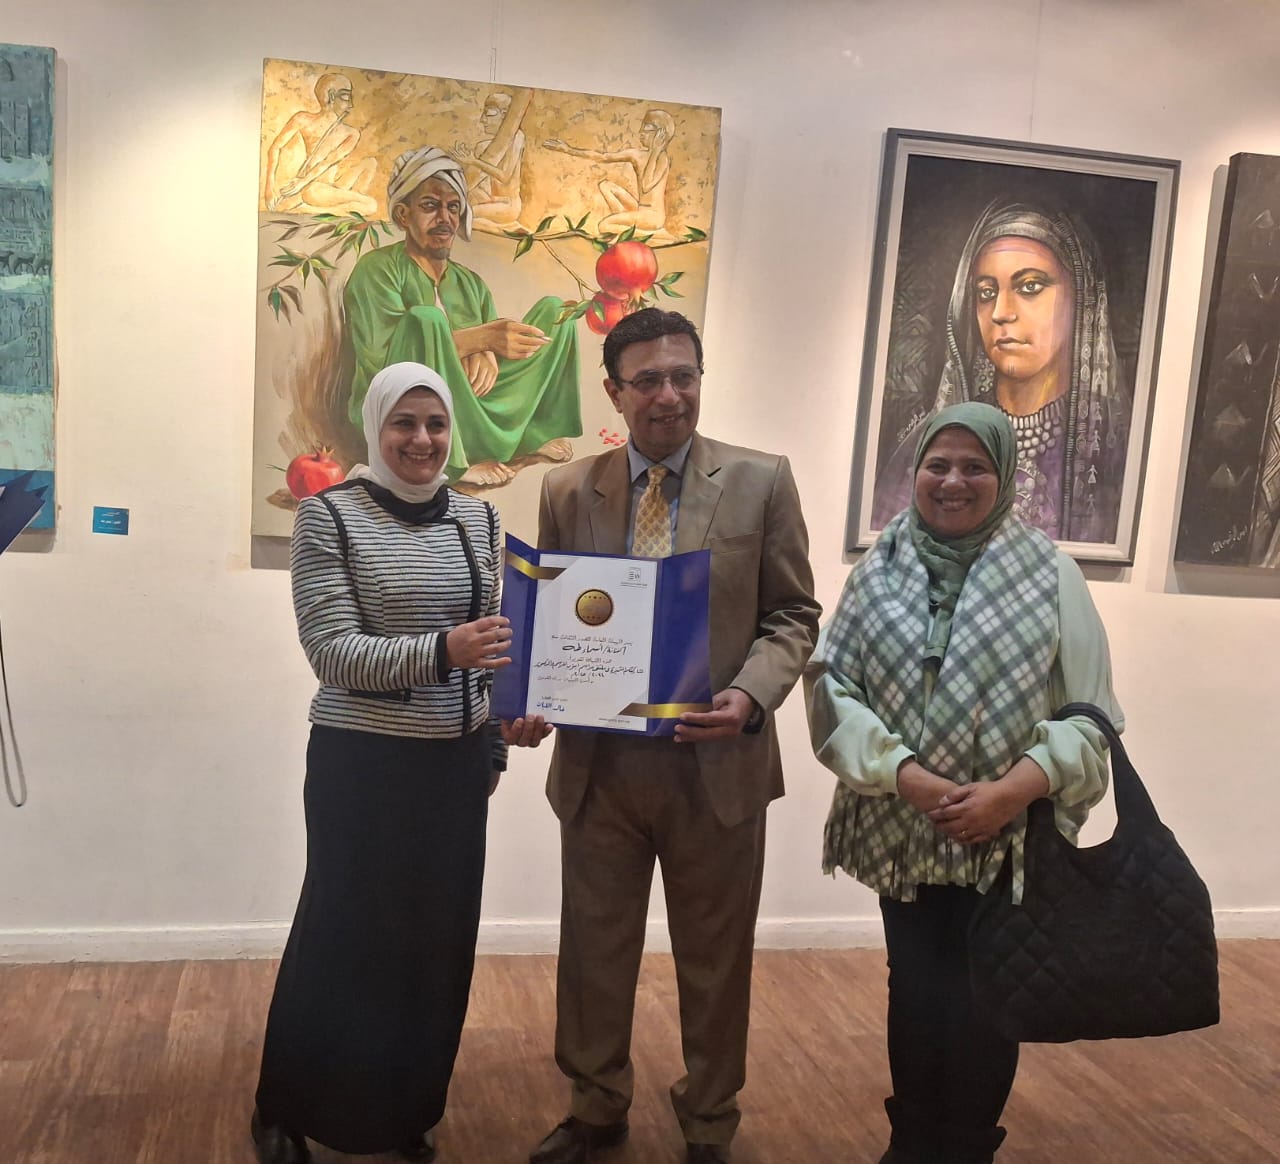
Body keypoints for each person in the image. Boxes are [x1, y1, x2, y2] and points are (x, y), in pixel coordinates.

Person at [526, 309, 821, 1164]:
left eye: (683, 376)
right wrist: (533, 696)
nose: (669, 395)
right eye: (648, 380)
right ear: (613, 391)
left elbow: (794, 615)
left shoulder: (762, 481)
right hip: (602, 770)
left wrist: (749, 695)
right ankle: (595, 1107)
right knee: (594, 951)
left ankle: (709, 1120)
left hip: (716, 765)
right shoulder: (567, 490)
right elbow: (553, 618)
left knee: (716, 959)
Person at [807, 402, 1123, 1163]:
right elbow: (832, 692)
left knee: (987, 994)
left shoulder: (1051, 575)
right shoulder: (877, 571)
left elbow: (1092, 717)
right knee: (916, 987)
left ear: (1005, 475)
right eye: (937, 465)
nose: (953, 481)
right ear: (914, 472)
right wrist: (906, 776)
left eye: (974, 466)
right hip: (901, 826)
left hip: (1007, 836)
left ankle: (968, 1146)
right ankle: (912, 1140)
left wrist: (1011, 792)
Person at [251, 361, 536, 1164]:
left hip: (454, 770)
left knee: (433, 947)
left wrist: (500, 734)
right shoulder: (328, 517)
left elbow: (493, 647)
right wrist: (443, 651)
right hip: (361, 766)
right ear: (374, 428)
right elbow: (333, 653)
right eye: (403, 423)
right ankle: (284, 1107)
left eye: (436, 424)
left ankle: (403, 1111)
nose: (422, 439)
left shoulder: (480, 519)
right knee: (341, 936)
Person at [872, 201, 1131, 544]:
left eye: (1029, 287)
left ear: (1081, 296)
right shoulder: (930, 444)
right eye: (986, 292)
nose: (1000, 312)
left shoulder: (1115, 442)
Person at [343, 146, 582, 488]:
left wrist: (486, 350)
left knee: (558, 312)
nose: (445, 218)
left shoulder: (470, 282)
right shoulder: (377, 270)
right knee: (426, 320)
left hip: (472, 401)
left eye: (453, 207)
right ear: (403, 215)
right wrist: (478, 340)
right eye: (430, 206)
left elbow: (490, 353)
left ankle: (534, 432)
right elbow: (386, 364)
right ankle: (453, 462)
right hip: (408, 413)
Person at [543, 110, 676, 237]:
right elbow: (603, 157)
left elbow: (646, 186)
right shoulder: (637, 155)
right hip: (640, 210)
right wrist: (568, 150)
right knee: (605, 185)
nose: (641, 133)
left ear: (660, 134)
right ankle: (626, 227)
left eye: (646, 129)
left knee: (604, 225)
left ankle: (651, 234)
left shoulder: (662, 158)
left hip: (653, 217)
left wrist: (655, 152)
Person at [262, 72, 378, 216]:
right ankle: (339, 210)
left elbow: (328, 162)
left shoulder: (352, 134)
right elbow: (275, 147)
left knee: (371, 164)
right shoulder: (302, 119)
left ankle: (319, 210)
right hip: (313, 188)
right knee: (368, 205)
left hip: (330, 189)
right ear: (331, 96)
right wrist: (269, 189)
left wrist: (303, 181)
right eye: (346, 97)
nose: (351, 104)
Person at [454, 90, 532, 233]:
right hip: (493, 200)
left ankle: (506, 228)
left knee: (463, 217)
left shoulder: (517, 137)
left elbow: (504, 176)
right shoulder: (483, 146)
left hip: (508, 206)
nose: (483, 120)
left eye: (489, 115)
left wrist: (474, 161)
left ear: (504, 116)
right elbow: (481, 186)